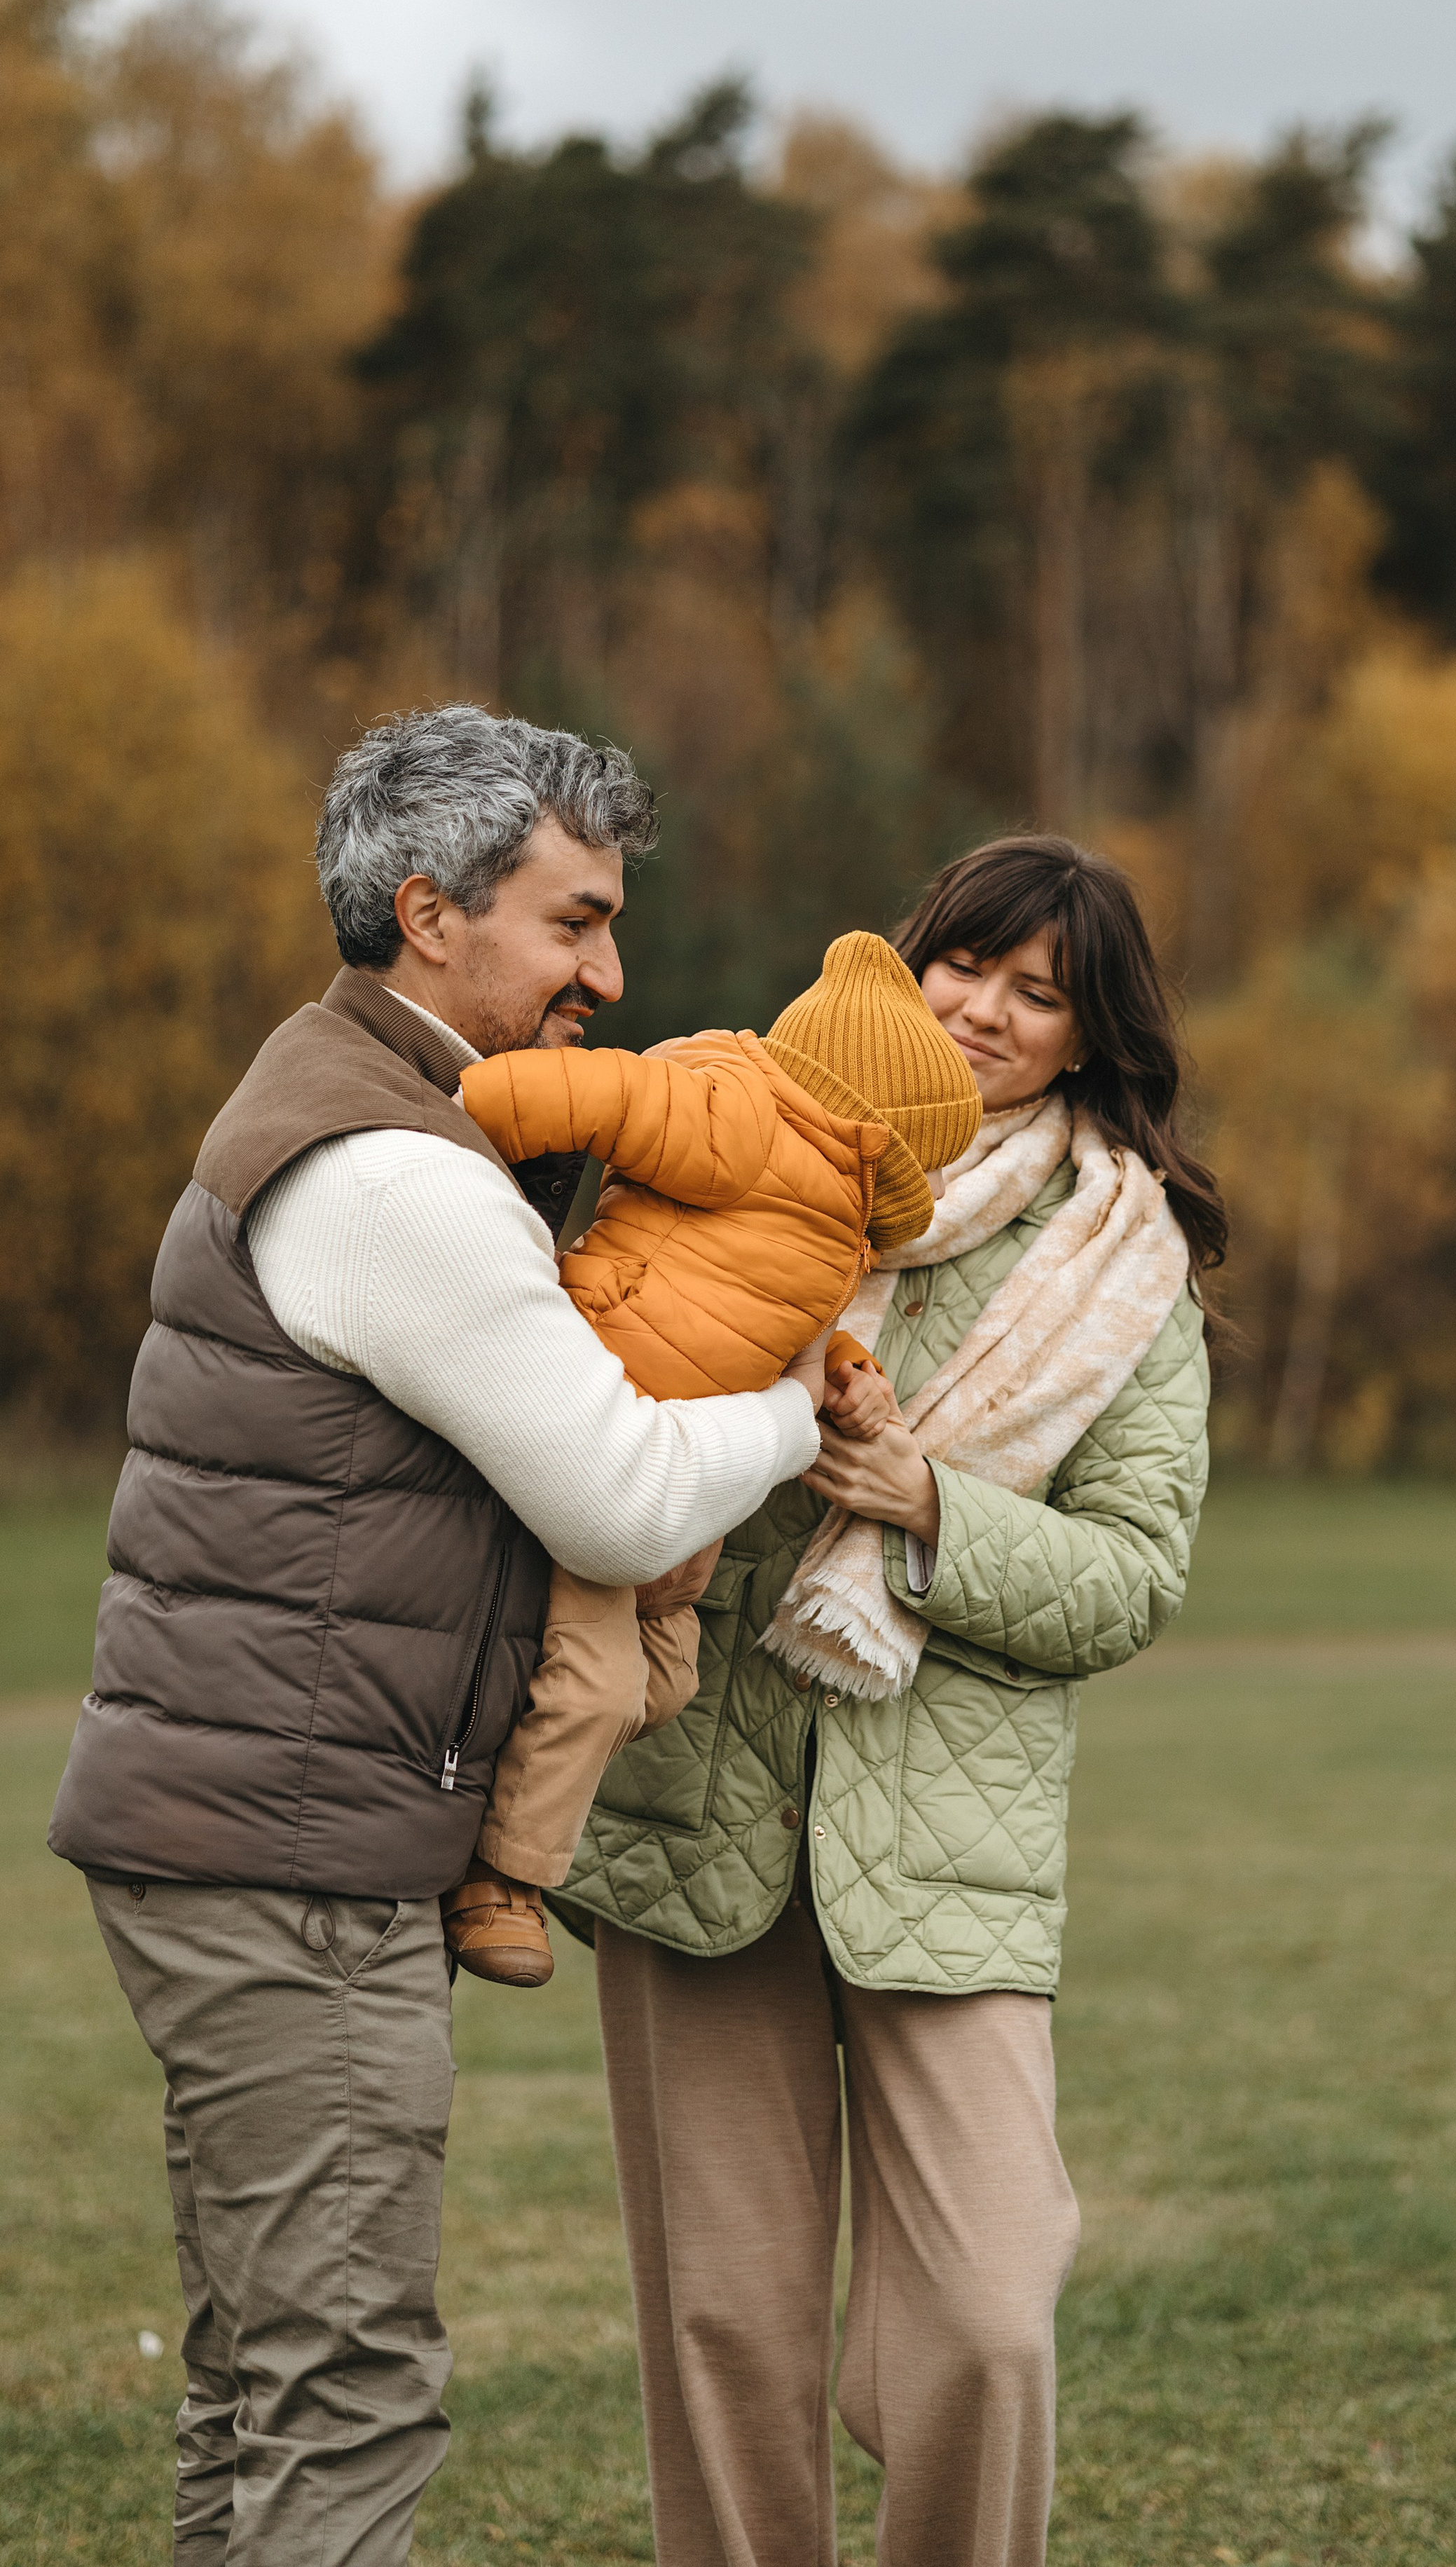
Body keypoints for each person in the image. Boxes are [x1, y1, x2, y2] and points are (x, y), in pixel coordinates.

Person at [46, 706, 829, 2567]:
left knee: (259, 2375)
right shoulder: (394, 1178)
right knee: (346, 2390)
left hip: (249, 1842)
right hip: (288, 1866)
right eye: (573, 925)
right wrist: (803, 1403)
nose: (611, 976)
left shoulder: (355, 1105)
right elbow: (622, 1497)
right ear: (429, 914)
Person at [551, 833, 1225, 2567]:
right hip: (706, 1809)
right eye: (966, 966)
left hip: (950, 1848)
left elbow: (1129, 1580)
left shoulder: (1121, 1261)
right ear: (903, 962)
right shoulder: (751, 1120)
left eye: (1038, 993)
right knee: (724, 2325)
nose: (987, 1011)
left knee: (991, 2316)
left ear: (1088, 1037)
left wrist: (926, 1507)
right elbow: (596, 1373)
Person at [439, 929, 981, 1983]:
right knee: (597, 1686)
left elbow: (791, 1323)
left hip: (692, 1485)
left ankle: (506, 1724)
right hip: (608, 1427)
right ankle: (502, 1882)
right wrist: (472, 1126)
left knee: (664, 1683)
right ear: (882, 1129)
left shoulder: (833, 1216)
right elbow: (600, 1097)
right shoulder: (738, 1122)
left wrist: (849, 1372)